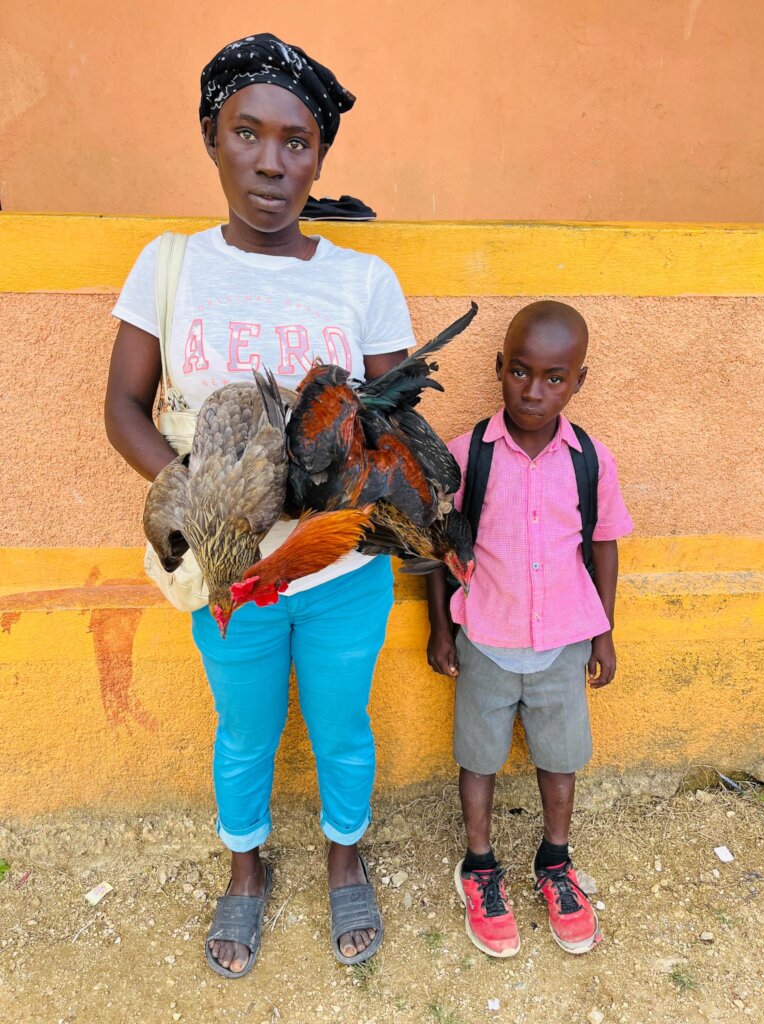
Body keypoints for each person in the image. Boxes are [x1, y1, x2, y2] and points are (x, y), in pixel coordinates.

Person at [105, 33, 416, 977]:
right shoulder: (168, 265)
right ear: (212, 136)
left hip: (342, 574)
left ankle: (343, 856)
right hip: (228, 577)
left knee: (342, 726)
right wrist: (213, 506)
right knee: (244, 728)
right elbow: (124, 407)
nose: (272, 163)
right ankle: (245, 870)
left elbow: (397, 431)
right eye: (248, 133)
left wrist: (340, 487)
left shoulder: (364, 281)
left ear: (321, 155)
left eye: (297, 142)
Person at [426, 300, 633, 957]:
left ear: (579, 382)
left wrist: (603, 633)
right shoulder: (464, 456)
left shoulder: (591, 460)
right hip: (484, 635)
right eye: (519, 372)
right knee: (479, 757)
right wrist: (440, 629)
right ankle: (480, 868)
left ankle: (555, 861)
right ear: (498, 369)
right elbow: (436, 546)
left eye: (553, 377)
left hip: (565, 641)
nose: (534, 390)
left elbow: (603, 546)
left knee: (561, 756)